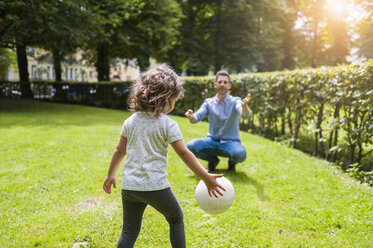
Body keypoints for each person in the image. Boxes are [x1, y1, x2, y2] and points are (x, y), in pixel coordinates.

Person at [103, 65, 226, 248]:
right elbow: (184, 153)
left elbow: (120, 150)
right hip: (155, 187)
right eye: (174, 100)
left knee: (129, 230)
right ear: (165, 99)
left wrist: (110, 175)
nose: (174, 105)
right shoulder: (168, 124)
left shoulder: (130, 121)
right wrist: (205, 176)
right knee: (176, 219)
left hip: (130, 187)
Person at [185, 71, 251, 172]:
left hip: (231, 143)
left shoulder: (236, 101)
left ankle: (232, 163)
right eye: (220, 82)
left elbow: (244, 114)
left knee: (240, 154)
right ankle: (213, 160)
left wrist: (244, 106)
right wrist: (191, 116)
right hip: (212, 142)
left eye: (225, 82)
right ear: (215, 85)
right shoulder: (208, 102)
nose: (222, 84)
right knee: (189, 147)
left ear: (229, 86)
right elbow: (197, 116)